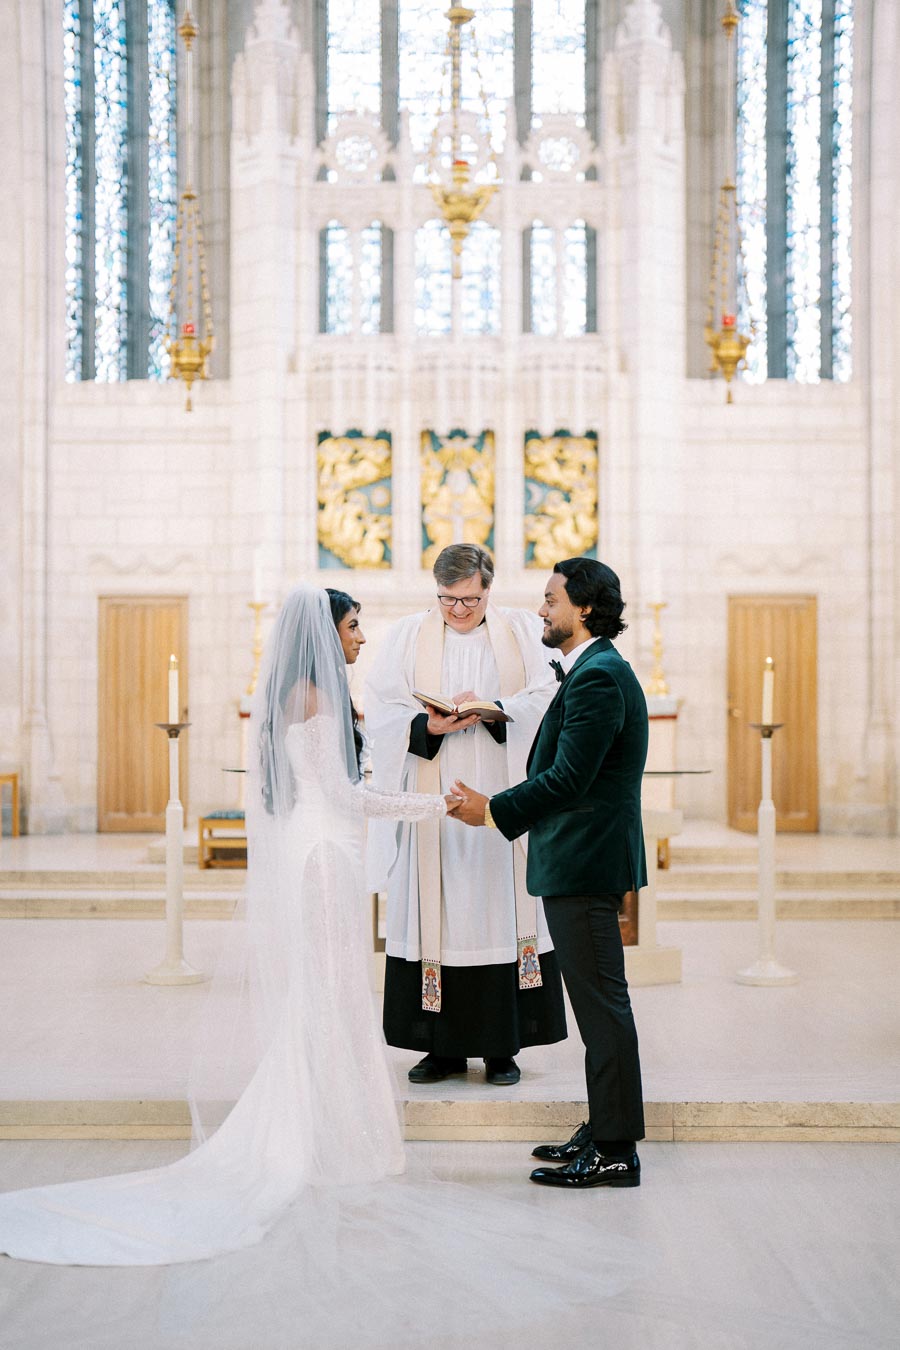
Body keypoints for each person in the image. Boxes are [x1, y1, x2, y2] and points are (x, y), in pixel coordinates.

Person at [0, 586, 456, 1264]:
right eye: (354, 626)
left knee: (324, 995)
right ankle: (328, 1140)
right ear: (324, 633)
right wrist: (429, 806)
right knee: (331, 995)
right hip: (326, 857)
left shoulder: (299, 695)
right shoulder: (318, 698)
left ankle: (324, 1131)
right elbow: (342, 795)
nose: (361, 638)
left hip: (317, 852)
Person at [449, 558, 648, 1189]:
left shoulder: (597, 678)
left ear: (584, 608)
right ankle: (605, 1127)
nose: (541, 609)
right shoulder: (592, 670)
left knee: (602, 1010)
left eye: (551, 598)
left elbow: (569, 779)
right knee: (598, 1009)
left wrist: (492, 810)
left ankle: (616, 1149)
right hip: (580, 860)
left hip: (584, 862)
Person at [365, 543, 566, 1087]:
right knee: (438, 917)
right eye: (447, 599)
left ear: (489, 589)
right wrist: (426, 727)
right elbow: (382, 711)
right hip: (434, 811)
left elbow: (551, 695)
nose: (457, 610)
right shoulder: (408, 635)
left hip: (502, 801)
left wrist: (498, 710)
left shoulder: (523, 632)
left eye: (470, 599)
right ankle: (441, 1049)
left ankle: (503, 1047)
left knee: (501, 912)